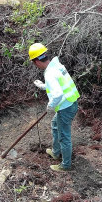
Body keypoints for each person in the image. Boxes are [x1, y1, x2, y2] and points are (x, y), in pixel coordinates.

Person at [29, 43, 79, 172]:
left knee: (64, 137)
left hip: (65, 108)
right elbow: (58, 84)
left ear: (36, 62)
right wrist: (43, 86)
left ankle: (66, 165)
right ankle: (56, 152)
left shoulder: (49, 73)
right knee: (55, 125)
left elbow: (57, 94)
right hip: (71, 102)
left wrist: (50, 106)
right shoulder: (57, 65)